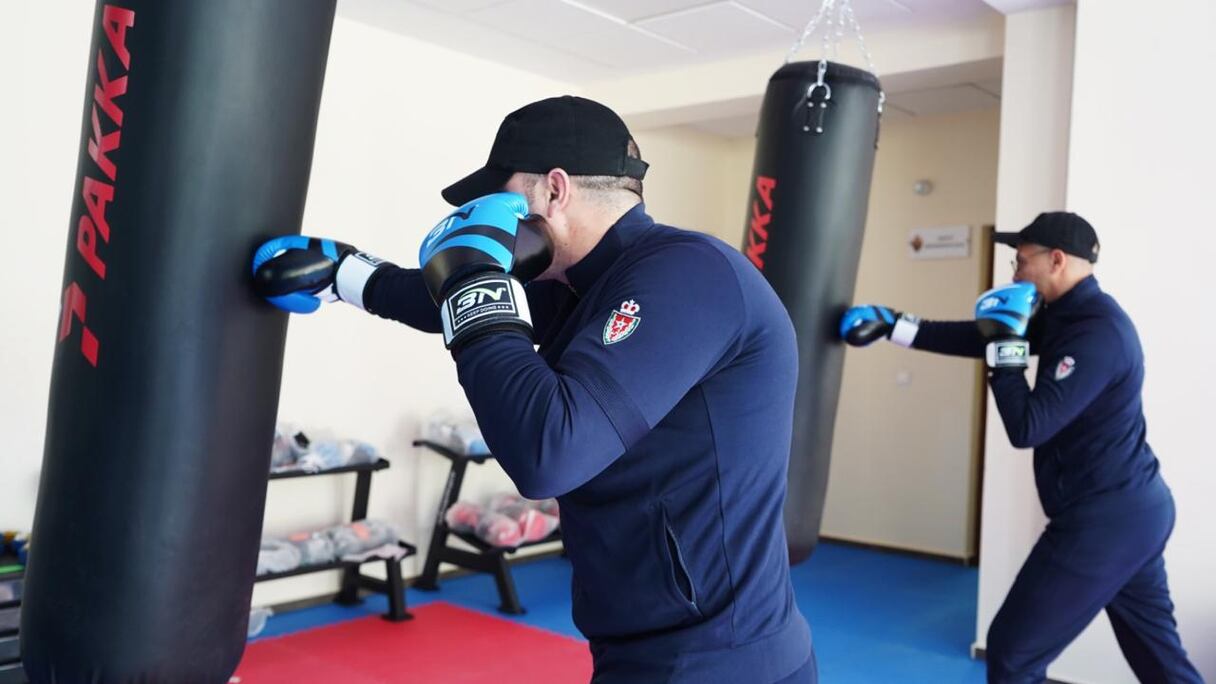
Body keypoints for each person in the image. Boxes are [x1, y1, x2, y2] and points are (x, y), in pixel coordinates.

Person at [251, 96, 816, 683]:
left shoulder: (691, 275)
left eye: (501, 195)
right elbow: (439, 299)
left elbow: (550, 453)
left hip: (722, 661)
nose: (489, 216)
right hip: (645, 649)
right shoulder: (583, 284)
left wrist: (473, 279)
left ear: (553, 189)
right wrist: (345, 273)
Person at [840, 212, 1202, 683]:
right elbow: (980, 335)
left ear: (1056, 260)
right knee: (1160, 662)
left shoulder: (1097, 334)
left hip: (1107, 520)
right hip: (1133, 512)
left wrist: (1004, 353)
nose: (1014, 274)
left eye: (1021, 261)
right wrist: (896, 325)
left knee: (1013, 653)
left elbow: (1029, 426)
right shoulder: (1065, 317)